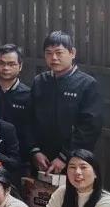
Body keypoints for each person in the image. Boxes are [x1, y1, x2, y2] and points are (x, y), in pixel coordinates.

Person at [29, 31, 102, 175]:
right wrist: (34, 151)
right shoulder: (39, 81)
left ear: (72, 53)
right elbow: (29, 119)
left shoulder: (87, 84)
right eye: (49, 53)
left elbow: (89, 127)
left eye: (59, 52)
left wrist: (65, 156)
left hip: (74, 159)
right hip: (41, 158)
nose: (54, 58)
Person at [0, 43, 32, 160]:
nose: (6, 68)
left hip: (18, 155)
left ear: (20, 66)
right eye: (1, 63)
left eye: (11, 64)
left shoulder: (28, 95)